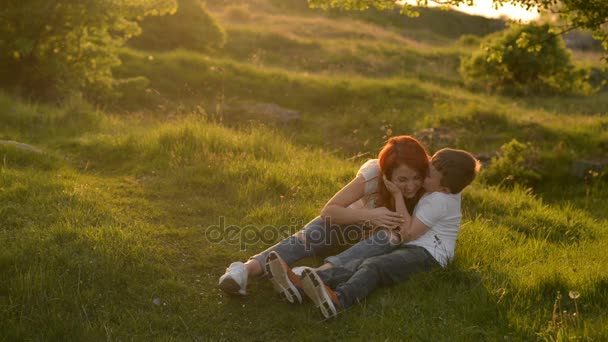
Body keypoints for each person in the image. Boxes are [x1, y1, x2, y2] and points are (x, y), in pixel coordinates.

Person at [218, 136, 430, 302]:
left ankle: (311, 276)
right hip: (353, 222)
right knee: (314, 232)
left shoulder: (430, 184)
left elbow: (405, 234)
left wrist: (397, 194)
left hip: (379, 238)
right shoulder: (374, 173)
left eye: (415, 178)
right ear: (386, 174)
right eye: (402, 180)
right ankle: (243, 270)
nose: (411, 186)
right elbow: (329, 211)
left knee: (389, 237)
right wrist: (370, 215)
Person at [292, 148, 481, 319]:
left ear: (444, 189)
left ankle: (339, 300)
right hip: (415, 248)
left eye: (429, 175)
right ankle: (308, 285)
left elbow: (408, 233)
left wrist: (398, 195)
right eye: (429, 166)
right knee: (362, 262)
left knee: (375, 266)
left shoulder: (440, 200)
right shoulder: (440, 187)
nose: (424, 174)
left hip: (429, 256)